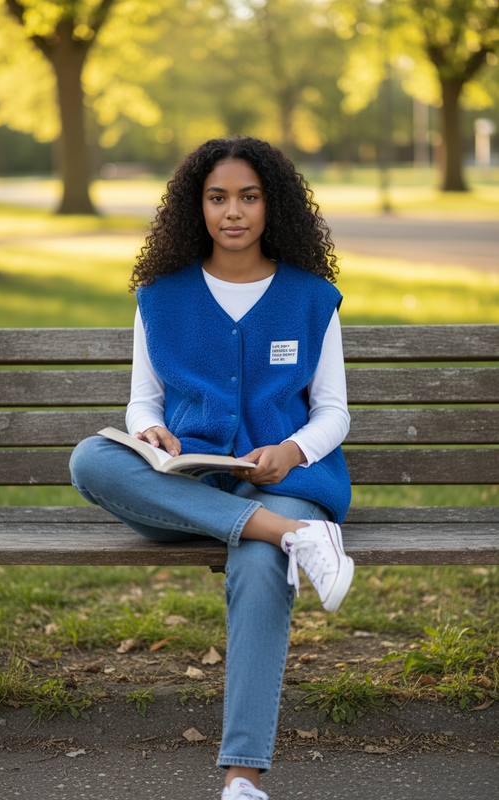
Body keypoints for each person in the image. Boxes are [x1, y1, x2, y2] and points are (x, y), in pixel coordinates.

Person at [70, 135, 354, 800]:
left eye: (248, 197)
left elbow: (333, 412)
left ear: (271, 205)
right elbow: (144, 399)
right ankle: (291, 535)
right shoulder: (159, 297)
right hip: (190, 485)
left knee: (257, 563)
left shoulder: (311, 298)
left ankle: (242, 777)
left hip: (287, 481)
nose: (233, 212)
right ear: (194, 207)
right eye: (217, 197)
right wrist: (149, 429)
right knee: (90, 458)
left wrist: (291, 451)